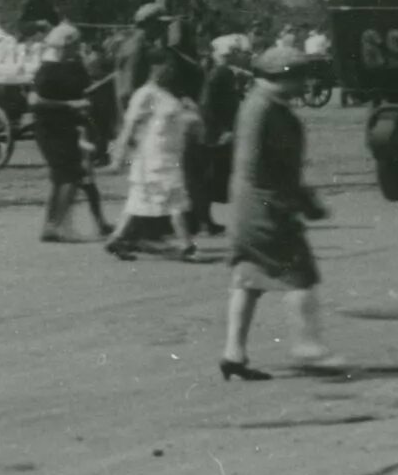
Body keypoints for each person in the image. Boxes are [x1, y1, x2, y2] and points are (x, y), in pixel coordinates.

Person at [220, 44, 338, 380]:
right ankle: (307, 348)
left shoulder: (257, 105)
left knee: (247, 277)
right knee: (300, 275)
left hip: (248, 206)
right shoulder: (268, 111)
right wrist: (297, 202)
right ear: (284, 78)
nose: (307, 85)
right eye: (301, 77)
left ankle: (233, 354)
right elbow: (269, 168)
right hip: (267, 207)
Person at [107, 60, 200, 261]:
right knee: (174, 197)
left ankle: (116, 238)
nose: (165, 72)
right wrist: (119, 155)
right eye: (160, 68)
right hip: (156, 156)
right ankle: (186, 245)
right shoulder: (146, 94)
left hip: (167, 153)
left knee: (140, 199)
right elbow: (129, 125)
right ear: (152, 71)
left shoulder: (166, 95)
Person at [29, 25, 111, 243]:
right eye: (74, 44)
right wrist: (70, 104)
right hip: (50, 129)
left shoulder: (72, 66)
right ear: (65, 45)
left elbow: (83, 88)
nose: (77, 48)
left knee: (61, 178)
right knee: (70, 177)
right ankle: (57, 226)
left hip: (67, 128)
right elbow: (36, 101)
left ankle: (51, 226)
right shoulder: (48, 69)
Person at [190, 34, 248, 237]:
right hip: (214, 134)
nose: (230, 57)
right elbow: (207, 104)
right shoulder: (220, 73)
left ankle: (204, 220)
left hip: (215, 132)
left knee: (212, 178)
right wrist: (221, 130)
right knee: (210, 178)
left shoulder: (222, 72)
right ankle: (204, 221)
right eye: (228, 54)